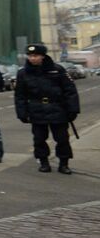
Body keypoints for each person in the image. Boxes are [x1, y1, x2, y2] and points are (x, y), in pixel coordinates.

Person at [14, 43, 79, 174]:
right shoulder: (23, 73)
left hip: (57, 108)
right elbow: (20, 95)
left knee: (62, 138)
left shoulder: (57, 70)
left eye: (35, 55)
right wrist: (22, 113)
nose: (32, 58)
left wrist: (73, 110)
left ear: (43, 56)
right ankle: (43, 162)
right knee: (39, 139)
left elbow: (70, 91)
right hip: (36, 109)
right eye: (30, 56)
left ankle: (64, 163)